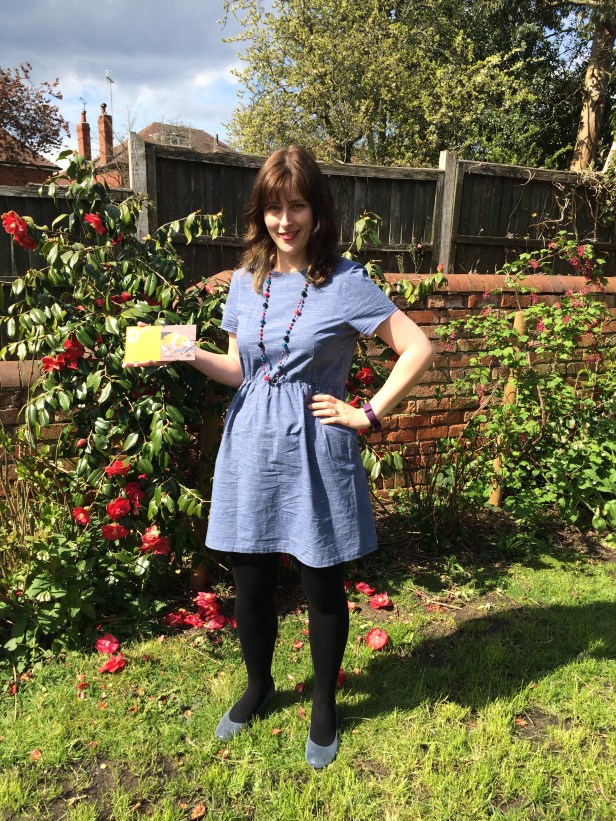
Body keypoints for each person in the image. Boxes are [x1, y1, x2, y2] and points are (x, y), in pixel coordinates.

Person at [126, 146, 435, 768]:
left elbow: (418, 347)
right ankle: (258, 685)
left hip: (316, 448)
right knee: (251, 581)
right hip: (251, 445)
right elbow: (239, 369)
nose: (285, 220)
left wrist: (367, 412)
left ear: (317, 210)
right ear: (260, 213)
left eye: (297, 206)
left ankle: (323, 703)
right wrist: (178, 349)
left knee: (322, 582)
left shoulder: (345, 282)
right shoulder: (246, 281)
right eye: (274, 207)